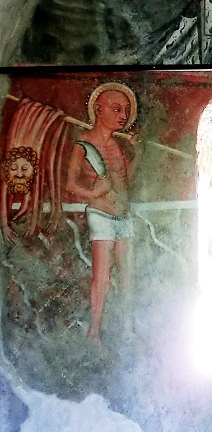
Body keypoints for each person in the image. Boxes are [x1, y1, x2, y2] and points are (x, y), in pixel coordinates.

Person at [65, 82, 138, 345]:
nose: (123, 116)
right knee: (102, 277)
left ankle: (127, 329)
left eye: (126, 110)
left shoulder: (117, 146)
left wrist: (138, 153)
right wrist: (94, 193)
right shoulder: (84, 145)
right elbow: (70, 185)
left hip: (123, 216)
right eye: (117, 109)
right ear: (98, 109)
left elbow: (125, 182)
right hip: (102, 217)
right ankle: (94, 333)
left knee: (127, 276)